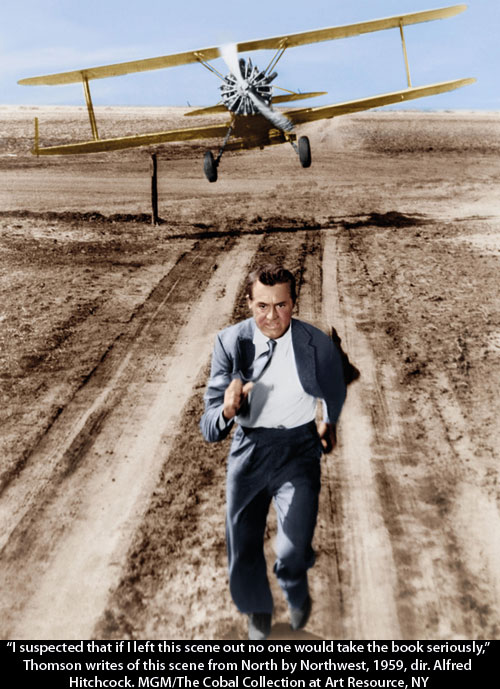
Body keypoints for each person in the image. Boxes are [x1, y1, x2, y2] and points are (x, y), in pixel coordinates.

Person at [200, 264, 346, 640]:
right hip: (249, 451)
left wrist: (329, 421)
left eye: (281, 305)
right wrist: (227, 410)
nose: (271, 316)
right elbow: (209, 425)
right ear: (248, 303)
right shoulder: (230, 343)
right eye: (262, 306)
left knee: (293, 546)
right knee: (242, 543)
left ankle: (294, 585)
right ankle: (258, 612)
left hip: (299, 451)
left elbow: (336, 383)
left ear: (294, 303)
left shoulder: (317, 341)